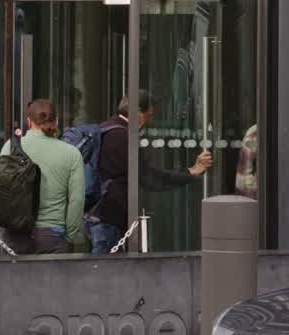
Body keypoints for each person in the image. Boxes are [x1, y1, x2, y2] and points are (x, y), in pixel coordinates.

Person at [89, 91, 213, 255]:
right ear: (138, 113)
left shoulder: (104, 129)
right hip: (109, 218)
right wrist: (190, 172)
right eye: (149, 115)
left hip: (95, 213)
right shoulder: (123, 137)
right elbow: (149, 178)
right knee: (106, 273)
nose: (148, 121)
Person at [0, 100, 85, 255]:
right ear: (55, 121)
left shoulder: (11, 147)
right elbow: (77, 200)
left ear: (29, 121)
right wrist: (69, 235)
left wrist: (4, 223)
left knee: (14, 280)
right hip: (53, 235)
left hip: (16, 233)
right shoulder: (71, 154)